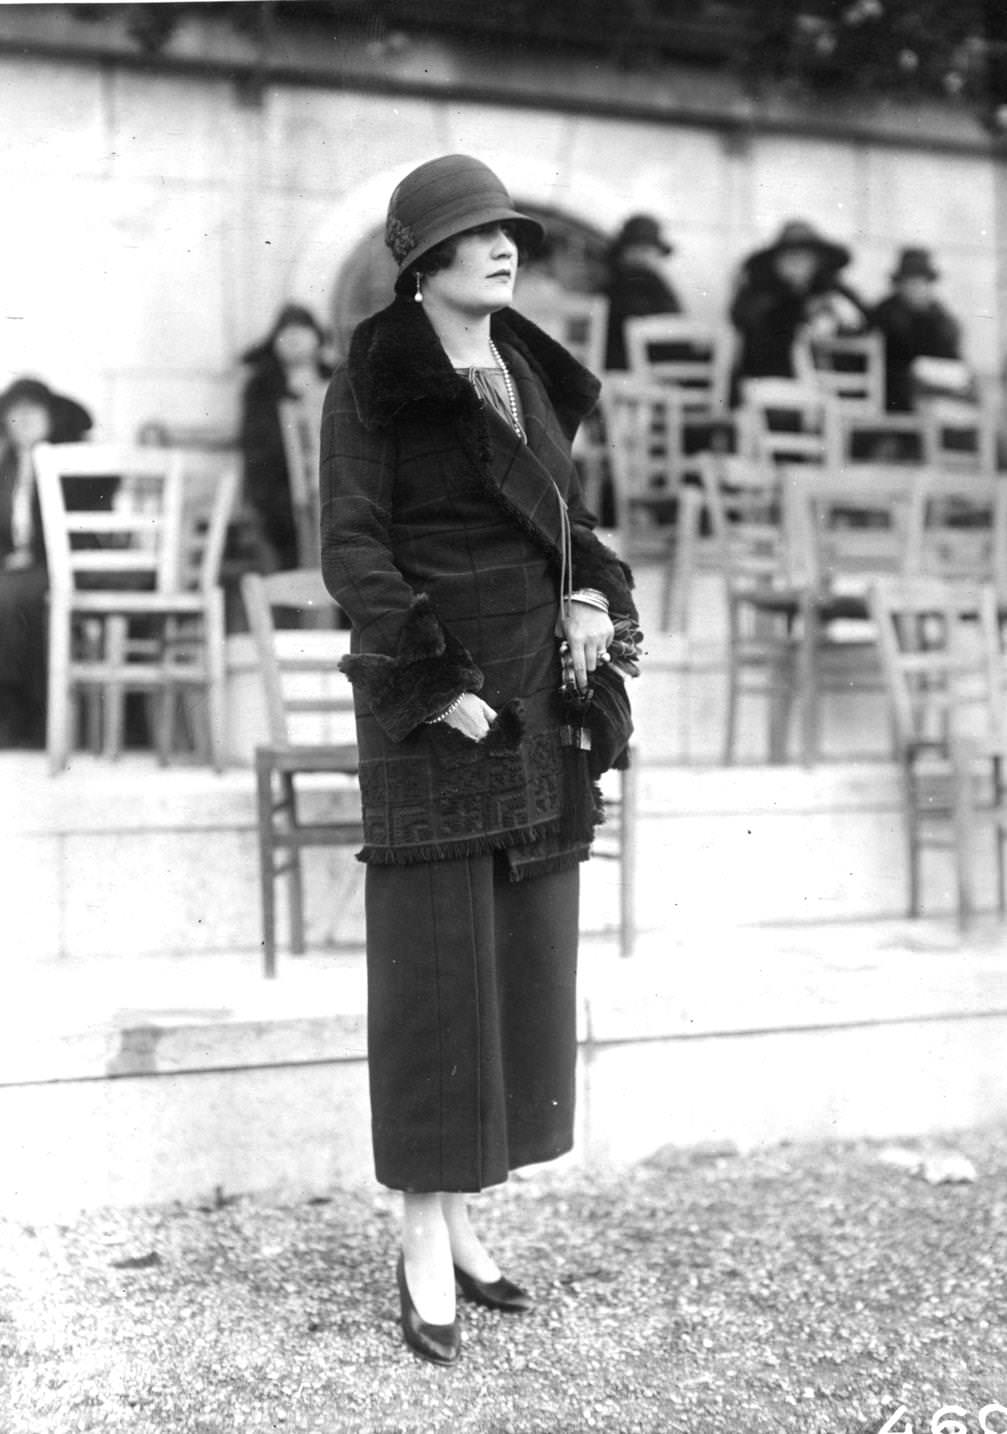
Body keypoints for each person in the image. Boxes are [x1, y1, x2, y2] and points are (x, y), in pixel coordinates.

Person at [320, 154, 641, 1366]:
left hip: (533, 696)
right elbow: (351, 551)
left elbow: (572, 522)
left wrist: (593, 599)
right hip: (442, 701)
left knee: (507, 960)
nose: (502, 249)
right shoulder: (373, 383)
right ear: (422, 262)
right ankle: (417, 1236)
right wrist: (433, 684)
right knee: (433, 969)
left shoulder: (523, 369)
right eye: (474, 237)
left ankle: (459, 1225)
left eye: (507, 232)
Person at [0, 376, 92, 747]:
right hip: (15, 570)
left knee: (14, 600)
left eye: (33, 411)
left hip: (62, 567)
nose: (24, 419)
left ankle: (28, 714)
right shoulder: (5, 469)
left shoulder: (71, 461)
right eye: (14, 413)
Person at [728, 218, 867, 402]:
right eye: (791, 256)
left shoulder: (831, 290)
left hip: (827, 390)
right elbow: (743, 318)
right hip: (768, 386)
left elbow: (861, 322)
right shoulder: (758, 292)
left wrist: (831, 311)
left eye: (805, 257)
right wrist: (796, 307)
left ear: (818, 261)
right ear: (776, 261)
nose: (798, 263)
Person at [239, 302, 332, 571]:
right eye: (285, 331)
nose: (293, 338)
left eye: (302, 329)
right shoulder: (262, 389)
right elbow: (258, 450)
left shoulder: (338, 379)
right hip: (282, 498)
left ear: (317, 337)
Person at [870, 247, 962, 412]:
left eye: (920, 283)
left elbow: (952, 357)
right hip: (895, 392)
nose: (916, 288)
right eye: (910, 282)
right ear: (899, 284)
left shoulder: (940, 318)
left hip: (935, 390)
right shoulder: (885, 313)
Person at [602, 212, 681, 371]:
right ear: (624, 253)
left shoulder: (655, 282)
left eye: (646, 250)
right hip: (629, 367)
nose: (641, 256)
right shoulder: (621, 284)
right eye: (637, 249)